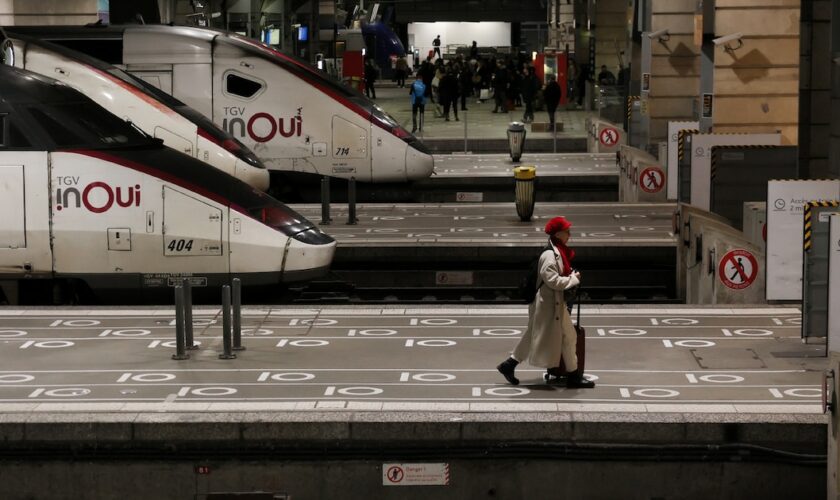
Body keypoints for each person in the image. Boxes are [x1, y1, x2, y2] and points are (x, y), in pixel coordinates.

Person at [497, 216, 595, 389]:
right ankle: (573, 376)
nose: (569, 234)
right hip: (549, 306)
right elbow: (553, 281)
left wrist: (570, 273)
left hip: (552, 305)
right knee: (557, 336)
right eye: (567, 231)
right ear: (558, 233)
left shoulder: (557, 251)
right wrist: (573, 279)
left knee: (564, 336)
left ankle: (510, 365)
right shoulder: (550, 254)